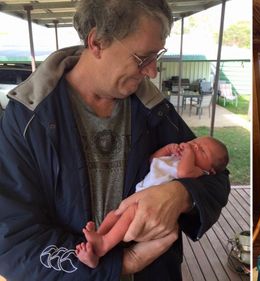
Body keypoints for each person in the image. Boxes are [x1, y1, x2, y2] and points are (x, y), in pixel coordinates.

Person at [0, 0, 230, 280]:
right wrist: (122, 264)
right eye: (143, 58)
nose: (153, 71)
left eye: (157, 56)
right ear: (97, 42)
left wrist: (180, 195)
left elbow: (217, 176)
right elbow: (12, 242)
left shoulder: (154, 108)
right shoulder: (27, 119)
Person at [76, 136, 229, 268]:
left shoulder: (199, 171)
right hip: (139, 197)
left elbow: (184, 173)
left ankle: (104, 245)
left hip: (145, 209)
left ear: (211, 170)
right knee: (113, 214)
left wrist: (188, 151)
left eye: (201, 151)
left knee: (127, 213)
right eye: (194, 142)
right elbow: (153, 160)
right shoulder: (176, 158)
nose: (194, 146)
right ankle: (97, 240)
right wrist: (168, 149)